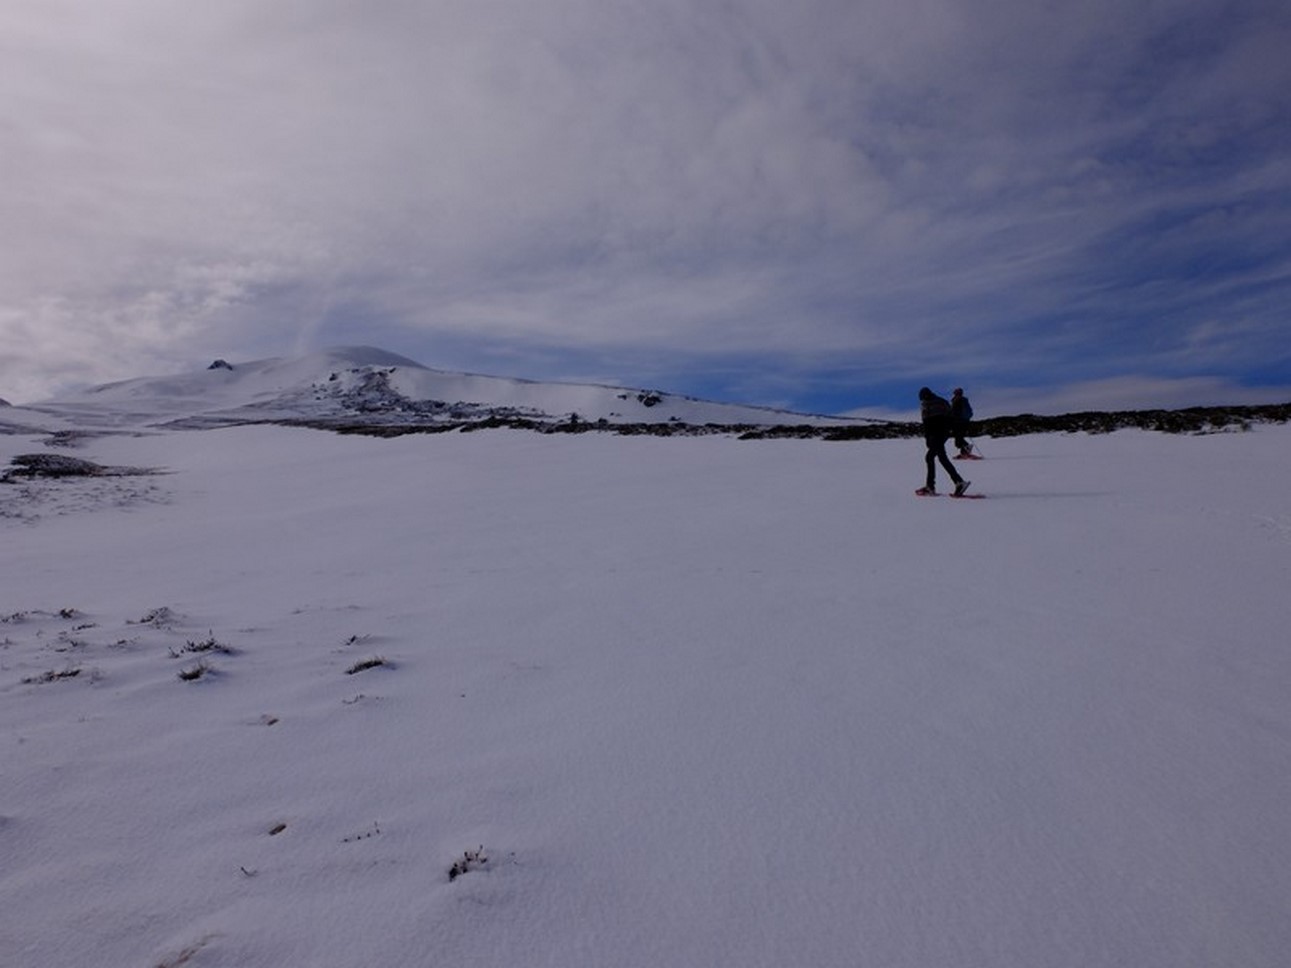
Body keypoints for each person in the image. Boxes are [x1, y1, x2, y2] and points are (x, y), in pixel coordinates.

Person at [916, 387, 969, 496]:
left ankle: (936, 486)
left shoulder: (926, 405)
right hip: (943, 434)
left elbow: (927, 425)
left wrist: (928, 439)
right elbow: (951, 417)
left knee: (931, 457)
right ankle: (956, 482)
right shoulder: (942, 402)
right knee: (940, 458)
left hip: (935, 436)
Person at [950, 387, 974, 458]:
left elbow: (953, 413)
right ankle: (964, 452)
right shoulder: (964, 400)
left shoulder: (957, 401)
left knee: (958, 439)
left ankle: (966, 450)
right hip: (965, 422)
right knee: (959, 438)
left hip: (958, 422)